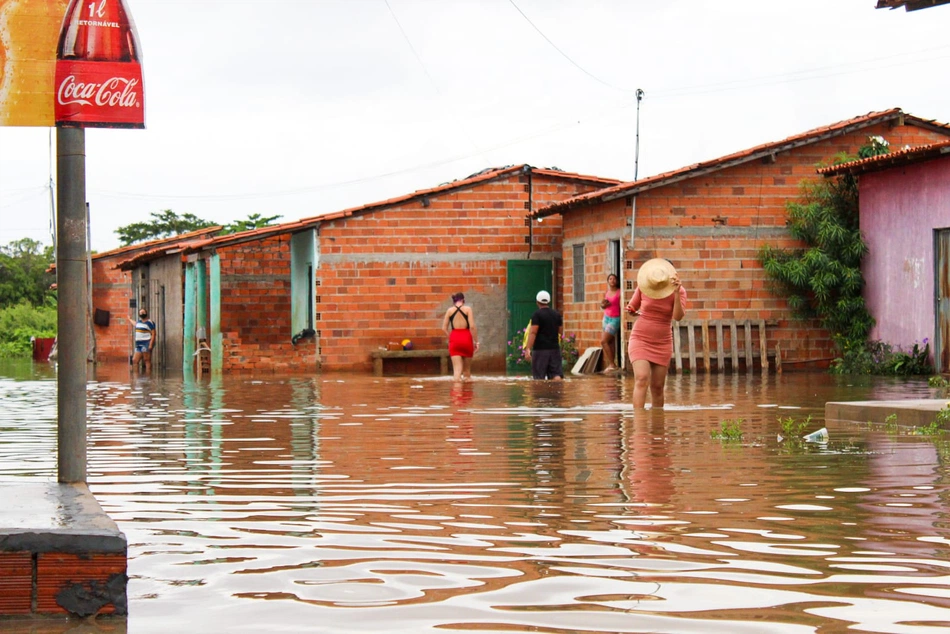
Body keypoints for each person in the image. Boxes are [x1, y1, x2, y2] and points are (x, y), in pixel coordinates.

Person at [626, 258, 686, 409]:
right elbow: (632, 306)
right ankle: (639, 426)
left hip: (663, 342)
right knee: (641, 379)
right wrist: (631, 310)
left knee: (658, 386)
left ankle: (657, 426)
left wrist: (677, 293)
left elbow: (678, 317)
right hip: (640, 338)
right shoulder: (645, 286)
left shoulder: (680, 290)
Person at [524, 290, 564, 380]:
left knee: (539, 378)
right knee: (556, 375)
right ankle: (557, 392)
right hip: (554, 349)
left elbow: (533, 332)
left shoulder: (537, 315)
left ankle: (540, 393)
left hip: (540, 350)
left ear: (537, 302)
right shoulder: (557, 315)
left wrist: (528, 348)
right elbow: (560, 332)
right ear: (548, 301)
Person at [441, 292, 479, 380]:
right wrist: (476, 341)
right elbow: (472, 326)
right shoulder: (468, 309)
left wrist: (450, 337)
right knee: (467, 371)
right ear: (463, 300)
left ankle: (456, 392)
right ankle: (467, 392)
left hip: (454, 338)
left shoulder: (449, 310)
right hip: (466, 338)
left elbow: (444, 328)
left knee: (457, 371)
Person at [600, 273, 621, 373]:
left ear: (617, 281)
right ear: (608, 281)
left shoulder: (620, 292)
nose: (612, 280)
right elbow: (603, 306)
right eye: (610, 279)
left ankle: (612, 364)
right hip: (606, 318)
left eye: (614, 279)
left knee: (603, 341)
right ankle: (613, 365)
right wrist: (603, 304)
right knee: (610, 342)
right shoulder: (607, 292)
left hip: (614, 319)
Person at [132, 308, 157, 373]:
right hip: (138, 344)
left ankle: (148, 376)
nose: (142, 314)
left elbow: (153, 334)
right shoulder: (138, 322)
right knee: (135, 360)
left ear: (146, 313)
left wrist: (151, 344)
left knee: (147, 360)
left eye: (143, 312)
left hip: (146, 343)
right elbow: (135, 323)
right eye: (141, 313)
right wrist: (128, 319)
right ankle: (136, 377)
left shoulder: (150, 322)